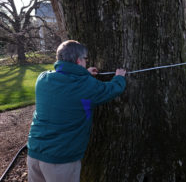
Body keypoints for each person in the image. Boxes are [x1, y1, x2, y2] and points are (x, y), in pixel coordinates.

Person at [27, 40, 127, 182]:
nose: (86, 62)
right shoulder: (85, 86)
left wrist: (84, 73)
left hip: (34, 155)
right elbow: (110, 90)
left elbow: (67, 84)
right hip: (61, 160)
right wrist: (119, 78)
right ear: (78, 60)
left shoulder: (43, 79)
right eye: (86, 59)